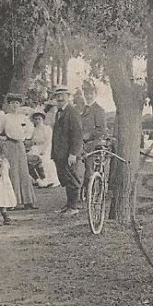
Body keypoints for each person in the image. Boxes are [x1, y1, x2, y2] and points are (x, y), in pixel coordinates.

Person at [0, 93, 37, 210]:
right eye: (12, 103)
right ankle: (12, 202)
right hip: (9, 145)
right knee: (13, 172)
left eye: (17, 103)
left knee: (23, 171)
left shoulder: (23, 117)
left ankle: (28, 201)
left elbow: (29, 130)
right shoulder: (5, 117)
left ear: (20, 104)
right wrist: (3, 138)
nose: (14, 105)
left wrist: (25, 137)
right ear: (9, 104)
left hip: (20, 145)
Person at [50, 85, 84, 215]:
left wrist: (73, 154)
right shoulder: (59, 112)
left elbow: (77, 135)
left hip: (69, 154)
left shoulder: (72, 112)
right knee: (65, 178)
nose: (60, 98)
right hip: (60, 154)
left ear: (68, 97)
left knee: (72, 179)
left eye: (62, 96)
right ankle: (68, 205)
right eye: (57, 96)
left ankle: (74, 207)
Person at [79, 81, 107, 196]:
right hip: (82, 142)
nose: (88, 96)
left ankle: (87, 191)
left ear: (95, 94)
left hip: (93, 143)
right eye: (86, 94)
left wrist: (87, 137)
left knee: (88, 168)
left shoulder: (99, 110)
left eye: (91, 94)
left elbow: (101, 130)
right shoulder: (83, 109)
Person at [28, 110, 59, 188]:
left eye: (39, 119)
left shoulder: (46, 128)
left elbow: (48, 141)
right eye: (36, 119)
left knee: (45, 162)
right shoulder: (34, 129)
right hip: (36, 147)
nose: (37, 121)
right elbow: (32, 140)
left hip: (46, 147)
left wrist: (43, 150)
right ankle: (39, 179)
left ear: (42, 119)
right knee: (30, 160)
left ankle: (51, 180)